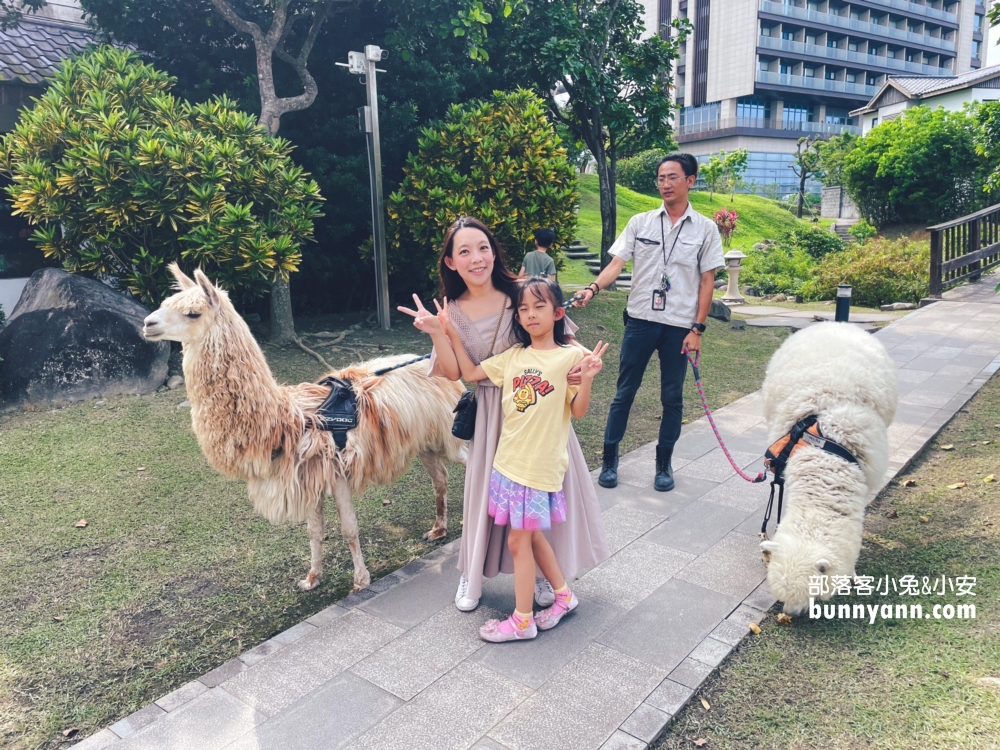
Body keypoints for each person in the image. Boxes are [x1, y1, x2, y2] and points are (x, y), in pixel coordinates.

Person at [398, 216, 609, 613]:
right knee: (484, 499)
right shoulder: (453, 310)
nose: (476, 258)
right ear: (450, 262)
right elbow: (455, 372)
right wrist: (438, 333)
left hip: (539, 412)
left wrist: (583, 366)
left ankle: (550, 578)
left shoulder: (522, 291)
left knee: (547, 496)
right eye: (464, 251)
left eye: (483, 247)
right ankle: (473, 573)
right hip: (492, 414)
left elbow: (565, 340)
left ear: (494, 251)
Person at [438, 278, 609, 641]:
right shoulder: (513, 357)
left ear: (558, 312)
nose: (530, 314)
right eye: (523, 309)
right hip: (507, 465)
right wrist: (450, 331)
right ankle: (563, 596)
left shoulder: (571, 358)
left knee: (518, 541)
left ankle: (521, 621)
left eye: (539, 307)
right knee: (529, 539)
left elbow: (577, 411)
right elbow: (470, 375)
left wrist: (589, 378)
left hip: (539, 467)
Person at [573, 153, 725, 492]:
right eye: (661, 178)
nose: (665, 184)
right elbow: (617, 263)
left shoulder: (705, 229)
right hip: (640, 321)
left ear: (690, 180)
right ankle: (610, 461)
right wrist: (593, 288)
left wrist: (697, 329)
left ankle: (664, 465)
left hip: (679, 328)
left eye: (672, 177)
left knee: (672, 398)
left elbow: (707, 281)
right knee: (623, 392)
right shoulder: (641, 222)